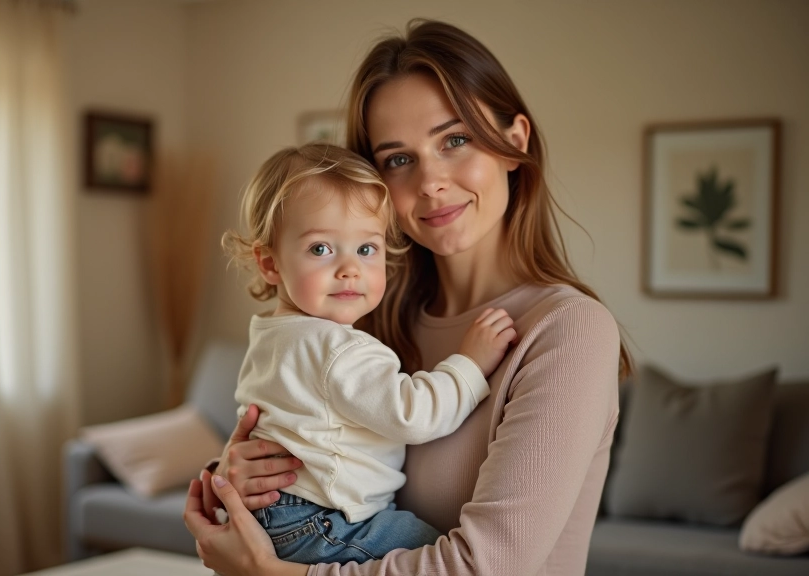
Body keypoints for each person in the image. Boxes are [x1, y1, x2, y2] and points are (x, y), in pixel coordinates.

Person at [185, 18, 630, 576]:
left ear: (515, 144)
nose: (430, 181)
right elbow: (313, 451)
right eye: (398, 159)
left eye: (455, 140)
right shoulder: (363, 321)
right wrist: (240, 474)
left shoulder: (568, 331)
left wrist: (273, 574)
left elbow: (486, 569)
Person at [218, 143, 516, 564]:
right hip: (324, 520)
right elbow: (412, 413)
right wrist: (470, 364)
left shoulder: (271, 335)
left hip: (274, 513)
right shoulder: (338, 348)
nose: (349, 268)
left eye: (366, 249)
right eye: (321, 249)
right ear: (269, 263)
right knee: (434, 553)